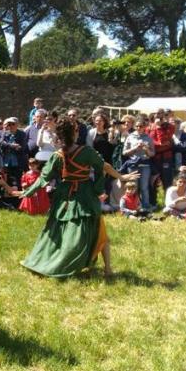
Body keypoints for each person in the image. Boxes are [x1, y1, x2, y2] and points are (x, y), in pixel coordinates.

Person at [18, 118, 112, 278]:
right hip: (85, 195)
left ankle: (50, 258)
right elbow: (100, 167)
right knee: (96, 229)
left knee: (58, 228)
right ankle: (103, 267)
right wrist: (98, 187)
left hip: (64, 195)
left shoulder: (57, 155)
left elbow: (44, 178)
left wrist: (27, 191)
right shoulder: (86, 152)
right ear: (75, 133)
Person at [122, 117, 155, 211]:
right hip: (133, 164)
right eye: (137, 126)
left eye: (141, 126)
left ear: (144, 127)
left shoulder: (148, 138)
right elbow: (124, 152)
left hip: (145, 165)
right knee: (133, 186)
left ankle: (146, 206)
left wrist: (147, 150)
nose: (138, 128)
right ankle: (132, 206)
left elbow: (153, 153)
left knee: (144, 187)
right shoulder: (130, 137)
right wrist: (135, 148)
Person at [0, 117, 28, 184]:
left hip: (17, 162)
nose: (11, 126)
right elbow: (0, 143)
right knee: (7, 181)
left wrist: (8, 146)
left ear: (17, 125)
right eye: (9, 124)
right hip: (6, 162)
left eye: (13, 124)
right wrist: (12, 146)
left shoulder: (22, 134)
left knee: (18, 181)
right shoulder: (4, 133)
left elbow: (22, 147)